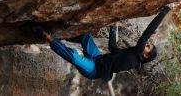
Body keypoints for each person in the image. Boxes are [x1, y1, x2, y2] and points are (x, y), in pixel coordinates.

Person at [34, 6, 171, 83]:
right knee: (86, 36)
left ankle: (49, 38)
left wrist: (164, 12)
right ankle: (59, 35)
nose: (145, 44)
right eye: (147, 44)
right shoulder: (131, 54)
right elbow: (113, 49)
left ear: (146, 55)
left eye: (148, 46)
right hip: (98, 58)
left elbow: (148, 31)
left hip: (94, 70)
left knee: (75, 57)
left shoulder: (136, 56)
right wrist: (113, 28)